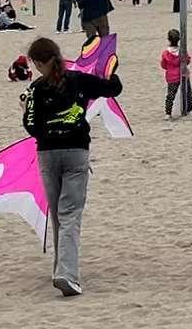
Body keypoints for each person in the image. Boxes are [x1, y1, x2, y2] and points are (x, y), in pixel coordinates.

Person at [22, 36, 123, 295]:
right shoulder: (78, 79)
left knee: (59, 214)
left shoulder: (36, 88)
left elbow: (30, 125)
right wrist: (110, 67)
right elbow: (113, 88)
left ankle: (62, 269)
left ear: (36, 62)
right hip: (76, 151)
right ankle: (66, 272)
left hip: (48, 153)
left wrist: (29, 112)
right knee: (69, 214)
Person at [161, 29, 192, 120]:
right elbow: (188, 60)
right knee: (187, 93)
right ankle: (189, 110)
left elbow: (163, 65)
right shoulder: (183, 51)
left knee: (170, 95)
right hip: (183, 74)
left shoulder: (166, 53)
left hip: (172, 76)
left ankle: (168, 113)